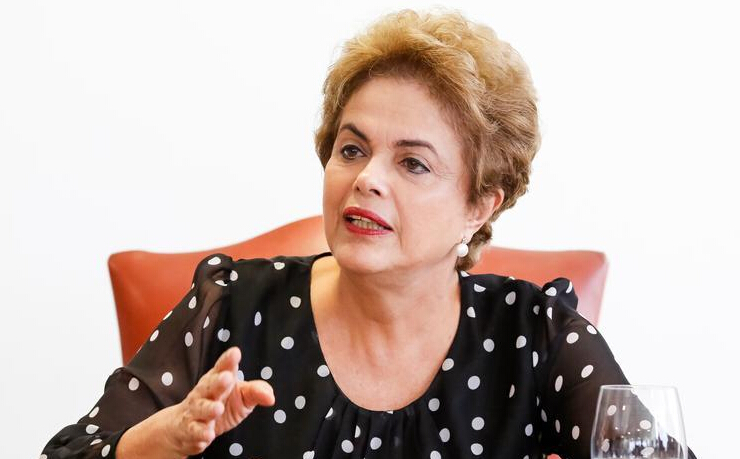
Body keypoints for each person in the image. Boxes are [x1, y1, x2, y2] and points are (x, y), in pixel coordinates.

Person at [40, 9, 696, 459]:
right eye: (352, 149)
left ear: (479, 205)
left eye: (413, 163)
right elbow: (71, 450)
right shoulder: (231, 307)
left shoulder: (537, 336)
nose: (367, 179)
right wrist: (156, 442)